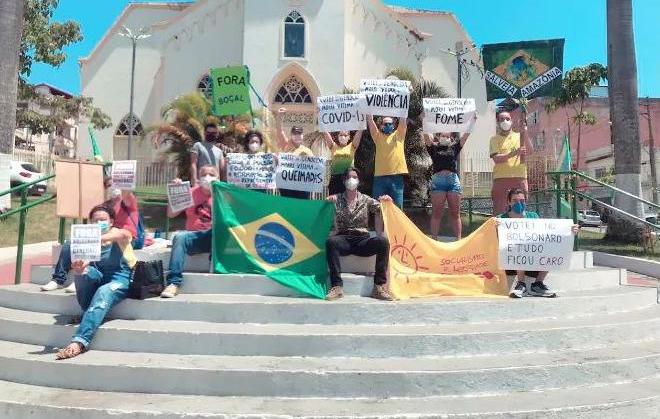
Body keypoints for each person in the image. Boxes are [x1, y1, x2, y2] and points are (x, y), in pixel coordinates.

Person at [55, 204, 136, 359]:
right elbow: (85, 266)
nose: (99, 223)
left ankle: (79, 342)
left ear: (111, 221)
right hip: (99, 276)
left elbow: (125, 234)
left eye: (103, 220)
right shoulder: (88, 243)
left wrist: (96, 238)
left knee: (104, 291)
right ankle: (88, 312)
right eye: (95, 220)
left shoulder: (118, 234)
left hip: (120, 278)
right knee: (82, 273)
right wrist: (79, 268)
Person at [41, 178, 140, 293]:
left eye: (114, 184)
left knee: (96, 243)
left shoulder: (127, 201)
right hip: (105, 234)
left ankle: (83, 276)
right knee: (70, 243)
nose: (112, 187)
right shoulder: (105, 205)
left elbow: (126, 194)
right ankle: (58, 279)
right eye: (108, 185)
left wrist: (123, 181)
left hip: (125, 237)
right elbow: (95, 221)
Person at [325, 167, 394, 301]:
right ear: (344, 180)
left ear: (359, 181)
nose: (352, 180)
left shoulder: (366, 199)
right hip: (344, 238)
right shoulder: (337, 198)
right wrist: (328, 202)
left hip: (362, 239)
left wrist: (387, 200)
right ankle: (336, 287)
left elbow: (381, 208)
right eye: (349, 177)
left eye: (355, 177)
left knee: (382, 242)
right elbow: (324, 206)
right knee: (331, 242)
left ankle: (379, 287)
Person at [497, 188, 579, 299]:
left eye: (522, 201)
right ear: (509, 202)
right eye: (515, 200)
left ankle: (538, 284)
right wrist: (495, 228)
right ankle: (521, 284)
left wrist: (569, 230)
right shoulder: (501, 220)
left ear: (525, 201)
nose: (519, 203)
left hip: (533, 261)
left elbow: (545, 235)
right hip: (509, 261)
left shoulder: (533, 217)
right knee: (520, 245)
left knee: (550, 247)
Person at [160, 165, 218, 298]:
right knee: (180, 237)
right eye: (203, 174)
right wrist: (175, 193)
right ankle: (173, 283)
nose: (207, 177)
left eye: (211, 174)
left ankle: (216, 271)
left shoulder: (221, 193)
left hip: (215, 237)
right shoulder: (190, 192)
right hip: (194, 237)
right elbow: (171, 214)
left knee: (220, 233)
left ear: (217, 177)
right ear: (198, 177)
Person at [423, 117, 476, 240]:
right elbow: (426, 136)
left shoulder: (455, 147)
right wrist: (424, 120)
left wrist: (472, 121)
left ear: (451, 138)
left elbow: (465, 137)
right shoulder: (433, 148)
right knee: (436, 213)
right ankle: (434, 239)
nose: (445, 138)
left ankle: (458, 239)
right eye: (442, 135)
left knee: (455, 213)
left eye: (447, 136)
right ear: (438, 137)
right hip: (438, 182)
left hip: (453, 181)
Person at [490, 111, 534, 214]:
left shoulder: (520, 136)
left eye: (507, 119)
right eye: (501, 119)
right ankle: (498, 230)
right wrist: (514, 153)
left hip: (520, 177)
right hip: (501, 178)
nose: (505, 121)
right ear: (497, 122)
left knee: (519, 210)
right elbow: (496, 159)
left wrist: (525, 133)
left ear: (512, 120)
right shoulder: (494, 139)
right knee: (500, 211)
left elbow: (531, 151)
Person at [366, 115, 408, 208]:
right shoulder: (377, 137)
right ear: (381, 126)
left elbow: (403, 118)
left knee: (397, 208)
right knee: (377, 208)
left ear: (393, 126)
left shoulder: (399, 135)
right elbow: (370, 120)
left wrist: (403, 110)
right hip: (380, 178)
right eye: (385, 124)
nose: (387, 125)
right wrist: (369, 113)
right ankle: (379, 223)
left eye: (390, 124)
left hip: (396, 178)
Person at [275, 107, 314, 199]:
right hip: (286, 185)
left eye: (299, 133)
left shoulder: (308, 151)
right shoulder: (286, 145)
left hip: (303, 186)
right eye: (294, 134)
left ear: (302, 135)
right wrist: (279, 116)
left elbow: (314, 168)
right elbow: (279, 130)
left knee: (301, 207)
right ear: (291, 135)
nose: (297, 136)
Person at [322, 130, 364, 195]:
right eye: (341, 135)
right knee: (334, 201)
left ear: (349, 137)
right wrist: (322, 125)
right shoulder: (333, 146)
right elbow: (325, 132)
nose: (343, 137)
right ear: (338, 137)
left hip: (349, 178)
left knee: (348, 199)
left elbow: (359, 132)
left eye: (345, 135)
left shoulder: (352, 146)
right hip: (335, 178)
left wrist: (362, 124)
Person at [191, 122, 225, 186]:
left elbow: (222, 169)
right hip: (201, 182)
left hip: (215, 184)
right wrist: (194, 179)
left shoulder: (219, 151)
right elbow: (193, 163)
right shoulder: (198, 145)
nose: (210, 134)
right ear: (204, 133)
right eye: (208, 132)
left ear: (217, 134)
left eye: (213, 133)